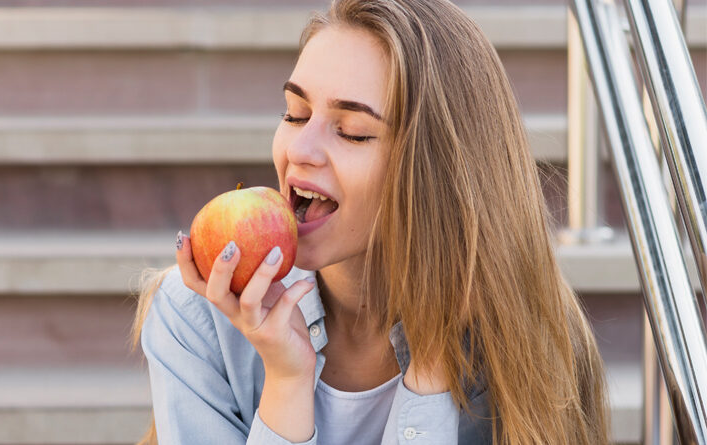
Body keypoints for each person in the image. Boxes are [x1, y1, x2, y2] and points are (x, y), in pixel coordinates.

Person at [130, 0, 610, 443]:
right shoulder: (198, 317)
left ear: (437, 168)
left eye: (353, 132)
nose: (298, 150)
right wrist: (287, 383)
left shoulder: (519, 338)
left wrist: (432, 373)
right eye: (295, 114)